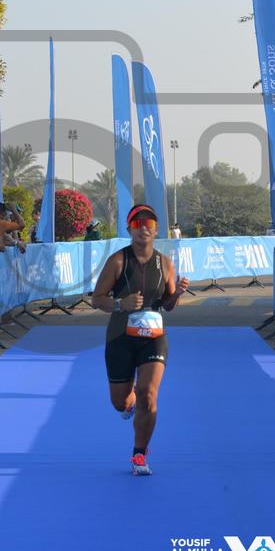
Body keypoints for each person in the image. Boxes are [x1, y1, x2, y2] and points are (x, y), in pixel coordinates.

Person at [92, 204, 190, 476]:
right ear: (129, 229)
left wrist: (177, 294)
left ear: (156, 230)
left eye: (149, 224)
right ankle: (130, 401)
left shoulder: (165, 263)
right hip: (120, 337)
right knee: (120, 403)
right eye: (137, 224)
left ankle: (139, 453)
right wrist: (120, 304)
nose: (143, 228)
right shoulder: (117, 261)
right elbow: (97, 299)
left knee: (149, 394)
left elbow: (168, 305)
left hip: (153, 338)